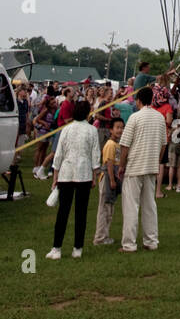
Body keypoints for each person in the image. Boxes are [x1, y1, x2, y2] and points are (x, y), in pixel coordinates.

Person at [45, 100, 102, 260]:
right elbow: (95, 154)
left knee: (63, 211)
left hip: (67, 173)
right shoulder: (91, 130)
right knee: (80, 212)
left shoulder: (67, 129)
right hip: (82, 173)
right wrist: (94, 175)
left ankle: (57, 248)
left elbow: (59, 154)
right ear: (87, 113)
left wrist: (55, 176)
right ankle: (77, 247)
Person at [118, 86, 167, 253]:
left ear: (138, 100)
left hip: (134, 166)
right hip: (151, 167)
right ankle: (151, 241)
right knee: (149, 206)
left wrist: (121, 164)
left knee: (131, 206)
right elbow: (163, 145)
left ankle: (129, 244)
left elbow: (125, 145)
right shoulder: (159, 117)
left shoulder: (135, 117)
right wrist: (156, 161)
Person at [93, 116, 124, 245]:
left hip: (113, 178)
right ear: (111, 130)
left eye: (122, 128)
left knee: (109, 209)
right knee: (104, 208)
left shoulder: (117, 144)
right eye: (117, 128)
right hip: (107, 178)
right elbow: (109, 163)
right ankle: (100, 237)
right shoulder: (110, 144)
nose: (120, 130)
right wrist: (112, 180)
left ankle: (105, 235)